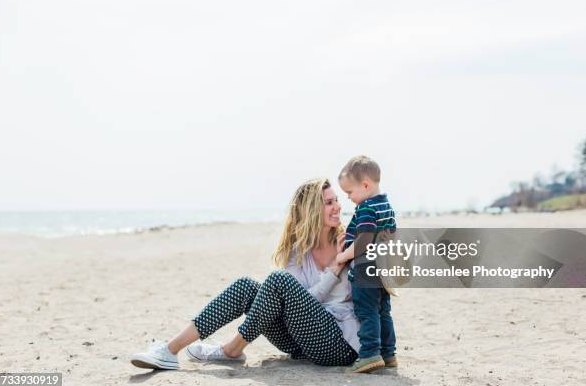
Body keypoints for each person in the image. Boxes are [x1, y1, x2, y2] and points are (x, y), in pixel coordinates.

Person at [130, 178, 360, 370]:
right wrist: (333, 271)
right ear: (311, 210)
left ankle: (232, 349)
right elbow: (302, 301)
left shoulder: (348, 242)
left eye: (337, 200)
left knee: (279, 280)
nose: (338, 207)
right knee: (247, 286)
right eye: (329, 202)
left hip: (338, 345)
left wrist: (339, 265)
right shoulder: (297, 252)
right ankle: (170, 350)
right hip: (300, 344)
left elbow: (381, 289)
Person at [336, 155, 398, 373]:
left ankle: (370, 353)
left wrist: (343, 256)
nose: (349, 198)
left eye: (350, 192)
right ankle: (388, 353)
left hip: (364, 268)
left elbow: (363, 241)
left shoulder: (366, 208)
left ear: (365, 185)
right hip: (381, 269)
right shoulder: (386, 205)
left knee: (366, 311)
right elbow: (391, 235)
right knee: (383, 311)